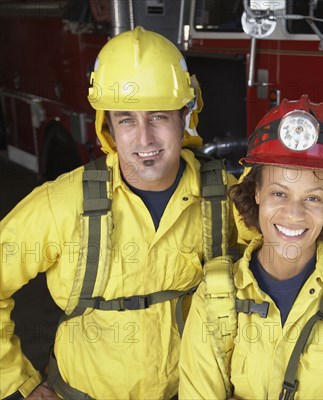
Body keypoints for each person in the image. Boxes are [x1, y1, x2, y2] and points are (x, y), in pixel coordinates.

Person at [0, 26, 236, 399]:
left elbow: (299, 268)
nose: (144, 139)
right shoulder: (63, 204)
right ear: (107, 126)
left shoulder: (226, 198)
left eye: (158, 116)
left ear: (185, 117)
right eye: (127, 119)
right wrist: (19, 383)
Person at [179, 95, 323, 399]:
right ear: (257, 191)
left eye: (313, 197)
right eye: (279, 193)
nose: (294, 213)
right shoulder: (214, 298)